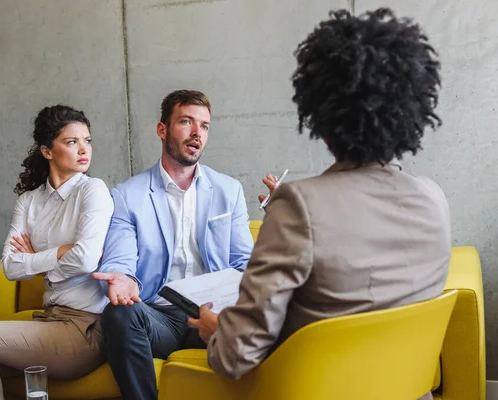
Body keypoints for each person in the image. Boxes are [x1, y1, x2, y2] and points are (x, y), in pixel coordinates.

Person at [188, 9, 449, 400]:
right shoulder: (434, 198)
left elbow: (235, 356)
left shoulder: (297, 205)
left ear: (323, 120)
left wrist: (216, 330)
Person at [0, 105, 114, 400]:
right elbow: (10, 267)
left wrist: (39, 263)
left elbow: (86, 258)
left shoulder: (93, 190)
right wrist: (60, 253)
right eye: (72, 142)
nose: (84, 149)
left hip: (84, 329)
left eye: (87, 140)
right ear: (47, 151)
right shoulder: (29, 201)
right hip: (50, 320)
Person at [92, 90, 257, 400]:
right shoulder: (128, 196)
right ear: (162, 129)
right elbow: (120, 259)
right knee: (119, 314)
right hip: (160, 318)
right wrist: (121, 277)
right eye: (186, 122)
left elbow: (245, 265)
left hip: (212, 316)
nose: (197, 133)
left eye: (205, 126)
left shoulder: (228, 190)